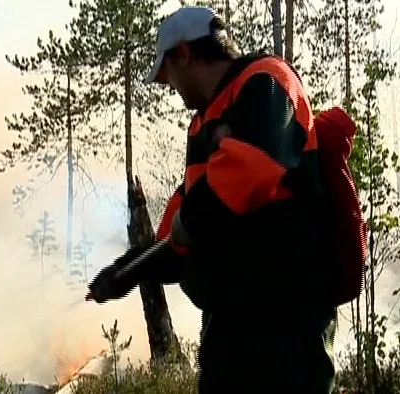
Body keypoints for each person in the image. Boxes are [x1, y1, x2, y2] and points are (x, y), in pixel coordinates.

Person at [86, 6, 337, 393]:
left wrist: (190, 223)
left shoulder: (267, 82)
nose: (169, 85)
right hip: (230, 329)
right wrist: (131, 270)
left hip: (287, 324)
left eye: (167, 72)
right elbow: (182, 231)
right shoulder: (205, 121)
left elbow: (252, 169)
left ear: (185, 54)